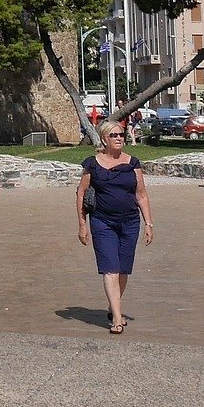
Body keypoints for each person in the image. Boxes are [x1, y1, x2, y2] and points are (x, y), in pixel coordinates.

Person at [76, 122, 155, 333]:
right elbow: (82, 193)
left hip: (130, 222)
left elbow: (141, 194)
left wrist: (148, 223)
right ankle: (117, 319)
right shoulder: (92, 164)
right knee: (110, 268)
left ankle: (113, 306)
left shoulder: (133, 163)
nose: (119, 138)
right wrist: (82, 224)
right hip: (102, 222)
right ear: (104, 139)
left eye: (121, 135)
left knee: (123, 269)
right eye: (114, 135)